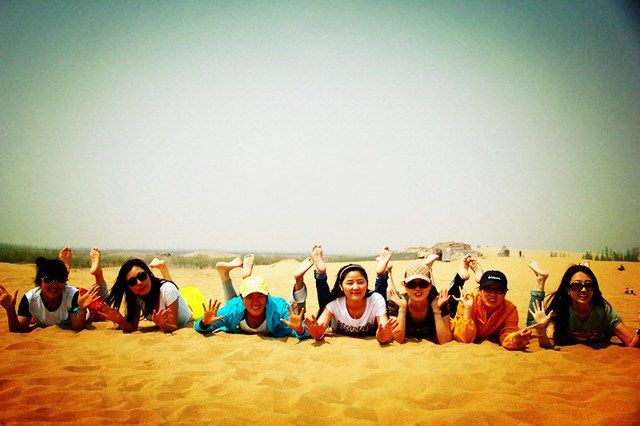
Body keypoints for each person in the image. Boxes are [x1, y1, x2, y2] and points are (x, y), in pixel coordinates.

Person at [527, 263, 640, 348]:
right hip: (543, 321)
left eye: (589, 285)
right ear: (568, 290)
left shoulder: (604, 310)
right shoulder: (560, 309)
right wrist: (541, 329)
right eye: (577, 285)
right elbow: (549, 344)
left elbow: (631, 343)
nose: (584, 290)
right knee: (532, 323)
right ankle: (541, 279)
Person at [193, 256, 308, 338]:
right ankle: (240, 276)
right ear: (242, 299)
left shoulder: (279, 308)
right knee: (231, 303)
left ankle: (245, 277)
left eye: (260, 296)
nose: (255, 302)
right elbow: (199, 326)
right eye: (250, 297)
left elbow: (303, 331)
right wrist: (204, 323)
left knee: (297, 309)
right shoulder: (231, 309)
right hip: (235, 305)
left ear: (267, 297)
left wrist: (300, 329)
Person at [303, 245, 396, 344]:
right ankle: (320, 274)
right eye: (349, 283)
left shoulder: (376, 300)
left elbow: (384, 331)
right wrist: (317, 333)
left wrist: (382, 337)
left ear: (367, 284)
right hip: (333, 305)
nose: (355, 287)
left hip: (375, 309)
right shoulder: (334, 303)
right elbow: (319, 332)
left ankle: (381, 275)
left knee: (377, 296)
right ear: (341, 286)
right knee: (326, 301)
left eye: (360, 282)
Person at [0, 256, 101, 332]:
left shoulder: (73, 296)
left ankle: (98, 275)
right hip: (61, 313)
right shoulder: (30, 299)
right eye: (48, 279)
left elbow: (77, 327)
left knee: (103, 306)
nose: (54, 285)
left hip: (84, 306)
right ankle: (64, 268)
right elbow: (17, 329)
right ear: (39, 282)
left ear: (65, 283)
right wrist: (10, 309)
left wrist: (82, 309)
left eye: (60, 280)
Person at [99, 258, 193, 333]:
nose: (139, 283)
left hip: (186, 311)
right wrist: (121, 321)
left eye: (142, 276)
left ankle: (164, 269)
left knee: (171, 287)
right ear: (128, 287)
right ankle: (163, 268)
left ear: (149, 274)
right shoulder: (135, 296)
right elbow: (133, 327)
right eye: (132, 282)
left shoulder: (168, 289)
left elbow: (174, 326)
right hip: (165, 292)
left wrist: (162, 324)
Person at [450, 269, 531, 350]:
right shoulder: (468, 302)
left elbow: (508, 333)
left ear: (505, 293)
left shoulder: (510, 309)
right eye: (488, 289)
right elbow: (463, 339)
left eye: (499, 290)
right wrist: (468, 310)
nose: (493, 294)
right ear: (480, 290)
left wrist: (515, 339)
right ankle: (462, 275)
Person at [386, 261, 452, 344]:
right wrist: (402, 309)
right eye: (411, 284)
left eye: (423, 284)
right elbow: (398, 340)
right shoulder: (397, 303)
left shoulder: (440, 303)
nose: (417, 288)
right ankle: (389, 273)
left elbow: (445, 341)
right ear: (405, 286)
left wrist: (436, 311)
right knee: (391, 292)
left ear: (430, 285)